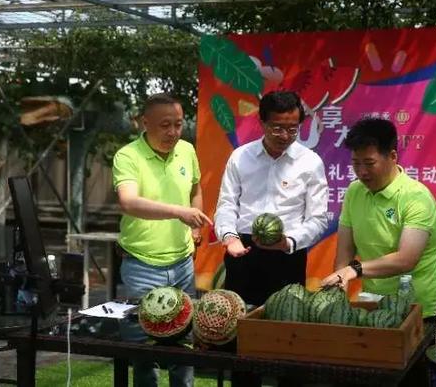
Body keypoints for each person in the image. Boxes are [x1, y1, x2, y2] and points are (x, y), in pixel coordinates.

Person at [112, 93, 211, 387]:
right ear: (145, 123)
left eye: (178, 124)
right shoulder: (127, 156)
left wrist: (195, 231)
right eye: (165, 125)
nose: (173, 132)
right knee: (143, 347)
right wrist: (179, 212)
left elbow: (195, 190)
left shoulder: (187, 150)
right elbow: (128, 202)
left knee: (183, 343)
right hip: (141, 266)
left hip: (182, 265)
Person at [214, 90, 329, 306]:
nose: (285, 136)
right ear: (262, 123)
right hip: (242, 250)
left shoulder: (310, 163)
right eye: (277, 128)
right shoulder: (240, 157)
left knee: (285, 320)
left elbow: (318, 219)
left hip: (288, 254)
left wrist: (288, 242)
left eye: (292, 129)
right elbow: (227, 204)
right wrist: (229, 237)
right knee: (239, 318)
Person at [320, 117, 436, 319]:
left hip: (419, 311)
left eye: (370, 163)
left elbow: (406, 259)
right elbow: (344, 254)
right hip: (373, 306)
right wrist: (337, 293)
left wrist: (354, 270)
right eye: (356, 163)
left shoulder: (416, 197)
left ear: (392, 156)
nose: (362, 172)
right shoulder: (354, 191)